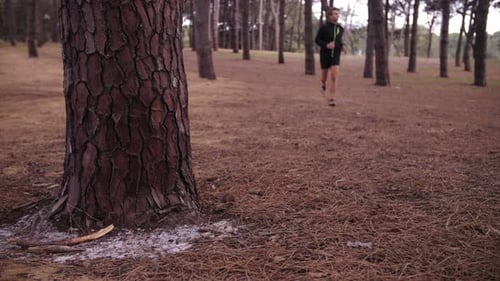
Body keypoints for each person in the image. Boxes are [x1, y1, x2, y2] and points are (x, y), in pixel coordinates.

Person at [315, 7, 347, 106]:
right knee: (324, 77)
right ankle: (323, 85)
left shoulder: (340, 28)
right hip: (325, 54)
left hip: (335, 55)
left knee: (334, 76)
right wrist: (326, 45)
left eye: (338, 14)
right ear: (329, 16)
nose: (337, 15)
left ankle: (332, 98)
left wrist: (342, 46)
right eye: (335, 14)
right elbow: (317, 40)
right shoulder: (324, 27)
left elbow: (339, 40)